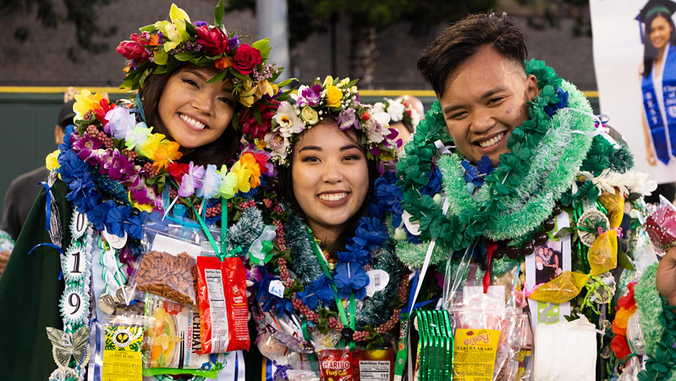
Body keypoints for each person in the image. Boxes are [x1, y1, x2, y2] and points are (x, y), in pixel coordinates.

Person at [0, 3, 285, 380]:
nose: (204, 106)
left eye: (225, 99)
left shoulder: (242, 197)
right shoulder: (85, 173)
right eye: (192, 82)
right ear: (158, 83)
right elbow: (32, 314)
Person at [395, 12, 656, 380]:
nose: (481, 123)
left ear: (531, 89)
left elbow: (643, 328)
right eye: (459, 112)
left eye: (495, 99)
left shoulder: (601, 191)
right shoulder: (432, 205)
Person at [249, 76, 407, 379]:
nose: (332, 175)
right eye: (312, 159)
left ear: (371, 167)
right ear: (287, 171)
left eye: (349, 157)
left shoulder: (408, 252)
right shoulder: (254, 252)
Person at [0, 95, 76, 275]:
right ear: (57, 133)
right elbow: (7, 238)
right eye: (69, 128)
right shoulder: (22, 187)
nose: (74, 136)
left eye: (83, 130)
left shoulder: (107, 190)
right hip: (36, 288)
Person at [639, 0, 676, 166]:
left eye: (661, 28)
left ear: (671, 27)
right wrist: (648, 147)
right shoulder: (645, 67)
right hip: (662, 148)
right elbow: (645, 110)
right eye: (652, 30)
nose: (657, 34)